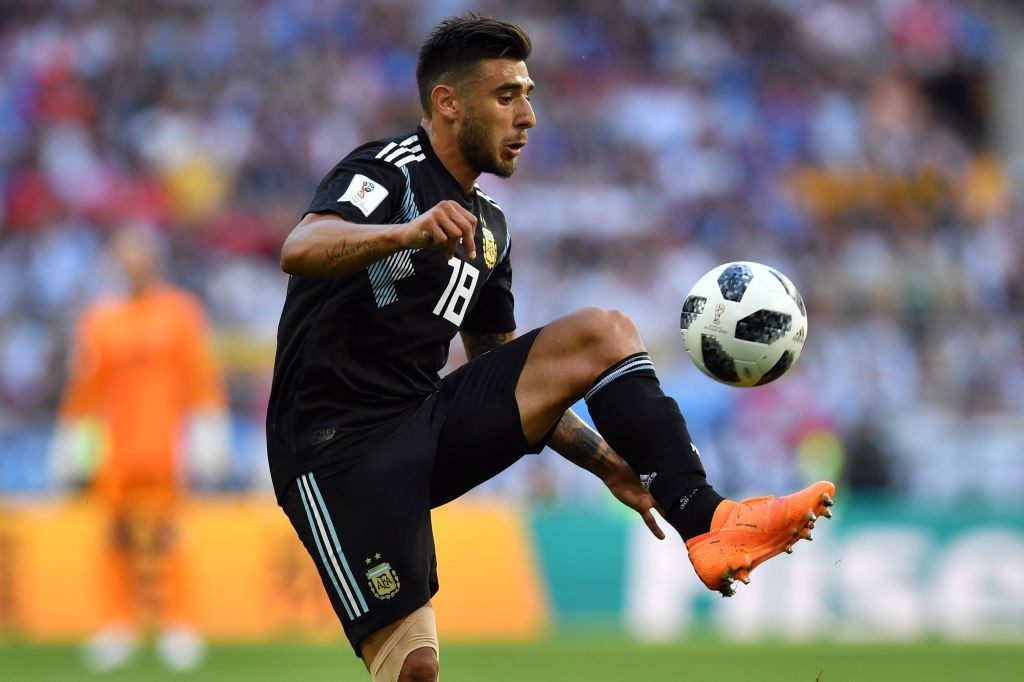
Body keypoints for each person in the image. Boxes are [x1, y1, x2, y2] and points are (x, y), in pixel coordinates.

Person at [267, 14, 835, 682]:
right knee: (414, 669)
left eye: (528, 95)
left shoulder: (489, 228)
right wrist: (406, 233)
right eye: (506, 96)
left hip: (422, 424)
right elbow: (300, 246)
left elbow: (503, 367)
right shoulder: (389, 170)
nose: (528, 117)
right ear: (448, 103)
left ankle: (708, 520)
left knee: (601, 333)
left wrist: (607, 464)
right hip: (334, 450)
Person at [51, 228, 230, 672]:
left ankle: (177, 623)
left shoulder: (180, 314)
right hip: (117, 452)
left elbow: (200, 380)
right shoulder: (100, 321)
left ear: (154, 263)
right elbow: (84, 391)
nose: (134, 269)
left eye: (140, 260)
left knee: (170, 538)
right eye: (126, 261)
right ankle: (119, 624)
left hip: (166, 447)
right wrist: (73, 445)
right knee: (116, 539)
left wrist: (208, 435)